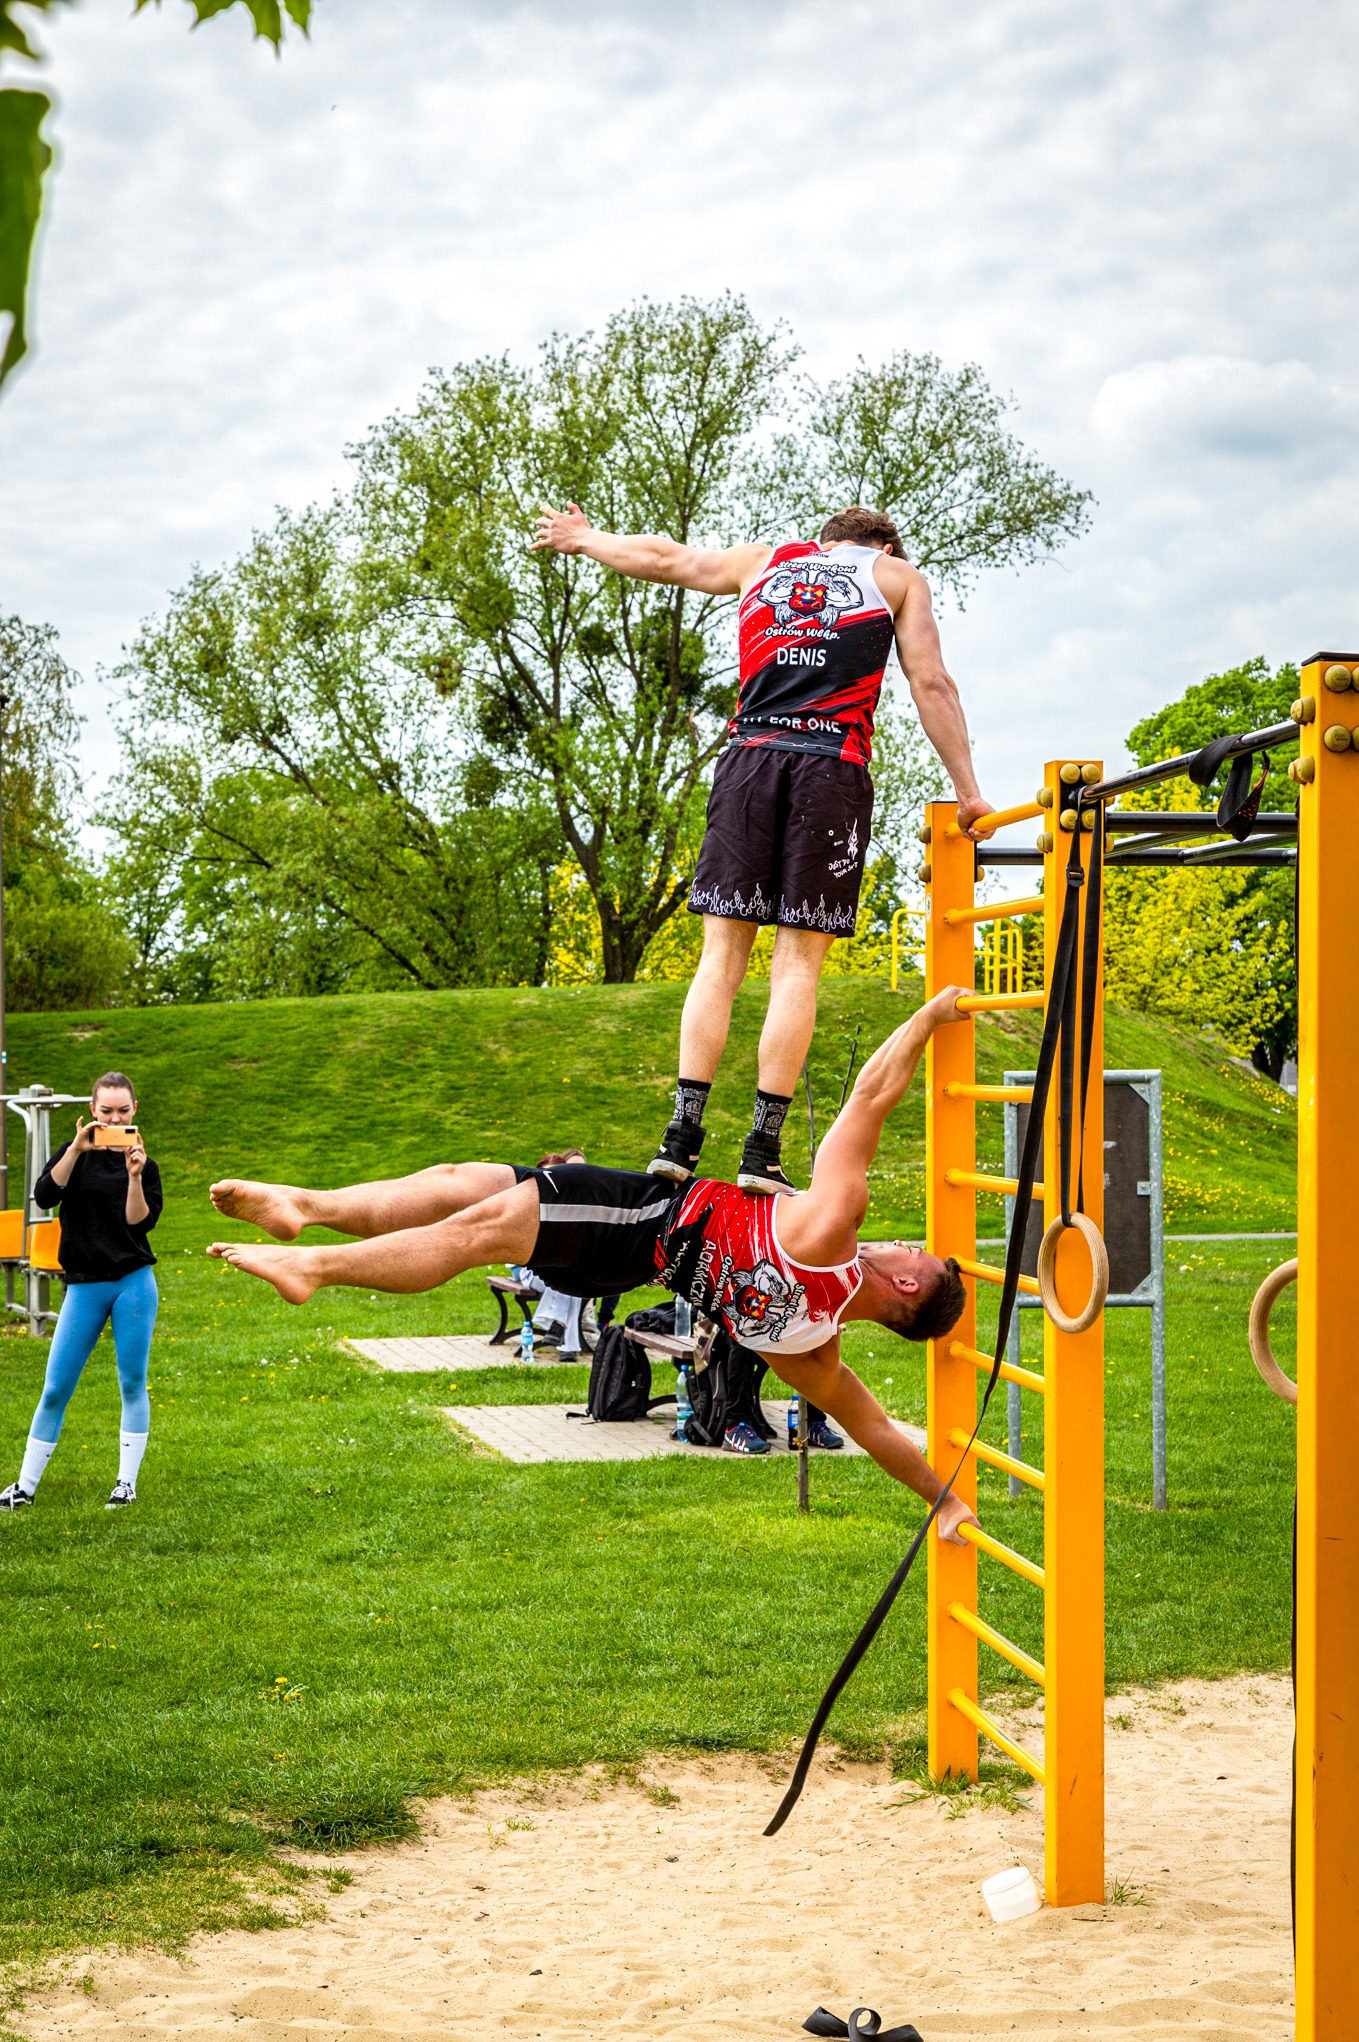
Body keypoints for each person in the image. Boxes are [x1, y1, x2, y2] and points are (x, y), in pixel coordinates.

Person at [208, 991, 978, 1542]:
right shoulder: (810, 1350)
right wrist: (941, 1500)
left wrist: (924, 1019)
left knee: (473, 1225)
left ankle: (314, 1264)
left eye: (916, 1255)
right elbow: (874, 1430)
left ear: (907, 1285)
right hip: (621, 1255)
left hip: (632, 1220)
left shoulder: (829, 1225)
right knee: (456, 1183)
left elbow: (871, 1097)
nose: (904, 1245)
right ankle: (303, 1203)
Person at [532, 501, 994, 1194]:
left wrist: (585, 538)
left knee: (719, 959)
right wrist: (968, 792)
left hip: (748, 762)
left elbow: (664, 559)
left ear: (822, 540)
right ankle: (761, 1151)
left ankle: (680, 1138)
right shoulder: (897, 577)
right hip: (829, 768)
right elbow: (929, 681)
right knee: (795, 966)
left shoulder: (762, 561)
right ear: (884, 547)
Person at [0, 1071, 162, 1513]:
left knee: (132, 1383)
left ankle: (125, 1485)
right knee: (55, 1388)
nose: (113, 1117)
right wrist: (75, 1148)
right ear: (92, 1111)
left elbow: (138, 1223)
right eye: (106, 1110)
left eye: (122, 1111)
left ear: (134, 1111)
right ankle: (24, 1487)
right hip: (84, 1287)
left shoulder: (144, 1165)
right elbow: (44, 1196)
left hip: (133, 1284)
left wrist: (134, 1175)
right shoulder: (76, 1155)